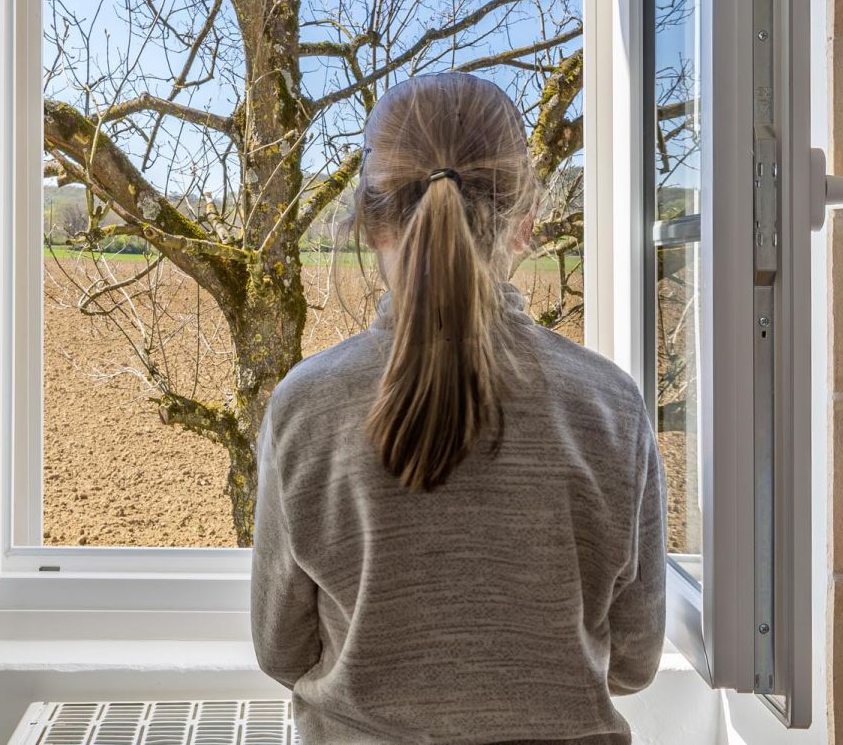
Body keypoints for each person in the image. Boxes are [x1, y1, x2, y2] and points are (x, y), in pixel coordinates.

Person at [251, 72, 665, 744]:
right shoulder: (611, 407)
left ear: (371, 221)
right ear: (527, 222)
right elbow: (635, 661)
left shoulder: (306, 406)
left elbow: (282, 651)